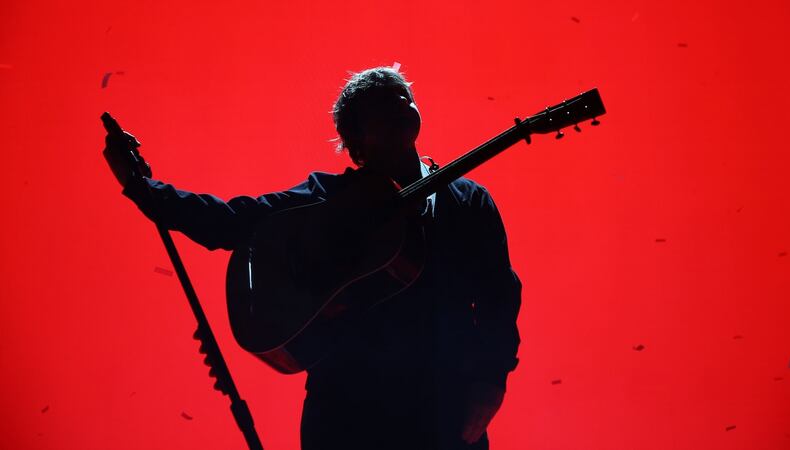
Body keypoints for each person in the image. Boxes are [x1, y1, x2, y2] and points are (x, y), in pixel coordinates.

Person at [104, 67, 521, 450]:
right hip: (345, 411)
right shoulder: (328, 200)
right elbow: (233, 221)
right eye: (382, 102)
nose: (400, 103)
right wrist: (142, 188)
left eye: (404, 97)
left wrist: (492, 380)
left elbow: (499, 298)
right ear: (356, 139)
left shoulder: (468, 202)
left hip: (443, 409)